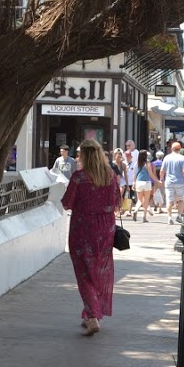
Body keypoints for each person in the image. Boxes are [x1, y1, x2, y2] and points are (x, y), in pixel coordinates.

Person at [60, 140, 122, 336]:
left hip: (83, 227)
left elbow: (67, 203)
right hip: (105, 228)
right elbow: (117, 202)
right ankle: (89, 313)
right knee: (99, 269)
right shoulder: (110, 175)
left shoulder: (79, 177)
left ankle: (93, 316)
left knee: (84, 271)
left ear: (84, 156)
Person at [161, 141, 184, 223]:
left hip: (169, 181)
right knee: (181, 199)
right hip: (180, 182)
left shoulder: (167, 158)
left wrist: (161, 179)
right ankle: (179, 215)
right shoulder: (182, 158)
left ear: (172, 149)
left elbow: (162, 170)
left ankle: (169, 217)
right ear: (180, 149)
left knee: (169, 200)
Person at [134, 149, 155, 220]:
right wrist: (157, 181)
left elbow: (134, 174)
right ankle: (144, 217)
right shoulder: (147, 163)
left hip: (139, 182)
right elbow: (151, 174)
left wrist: (134, 183)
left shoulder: (136, 163)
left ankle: (136, 209)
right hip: (147, 182)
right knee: (146, 200)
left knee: (139, 200)